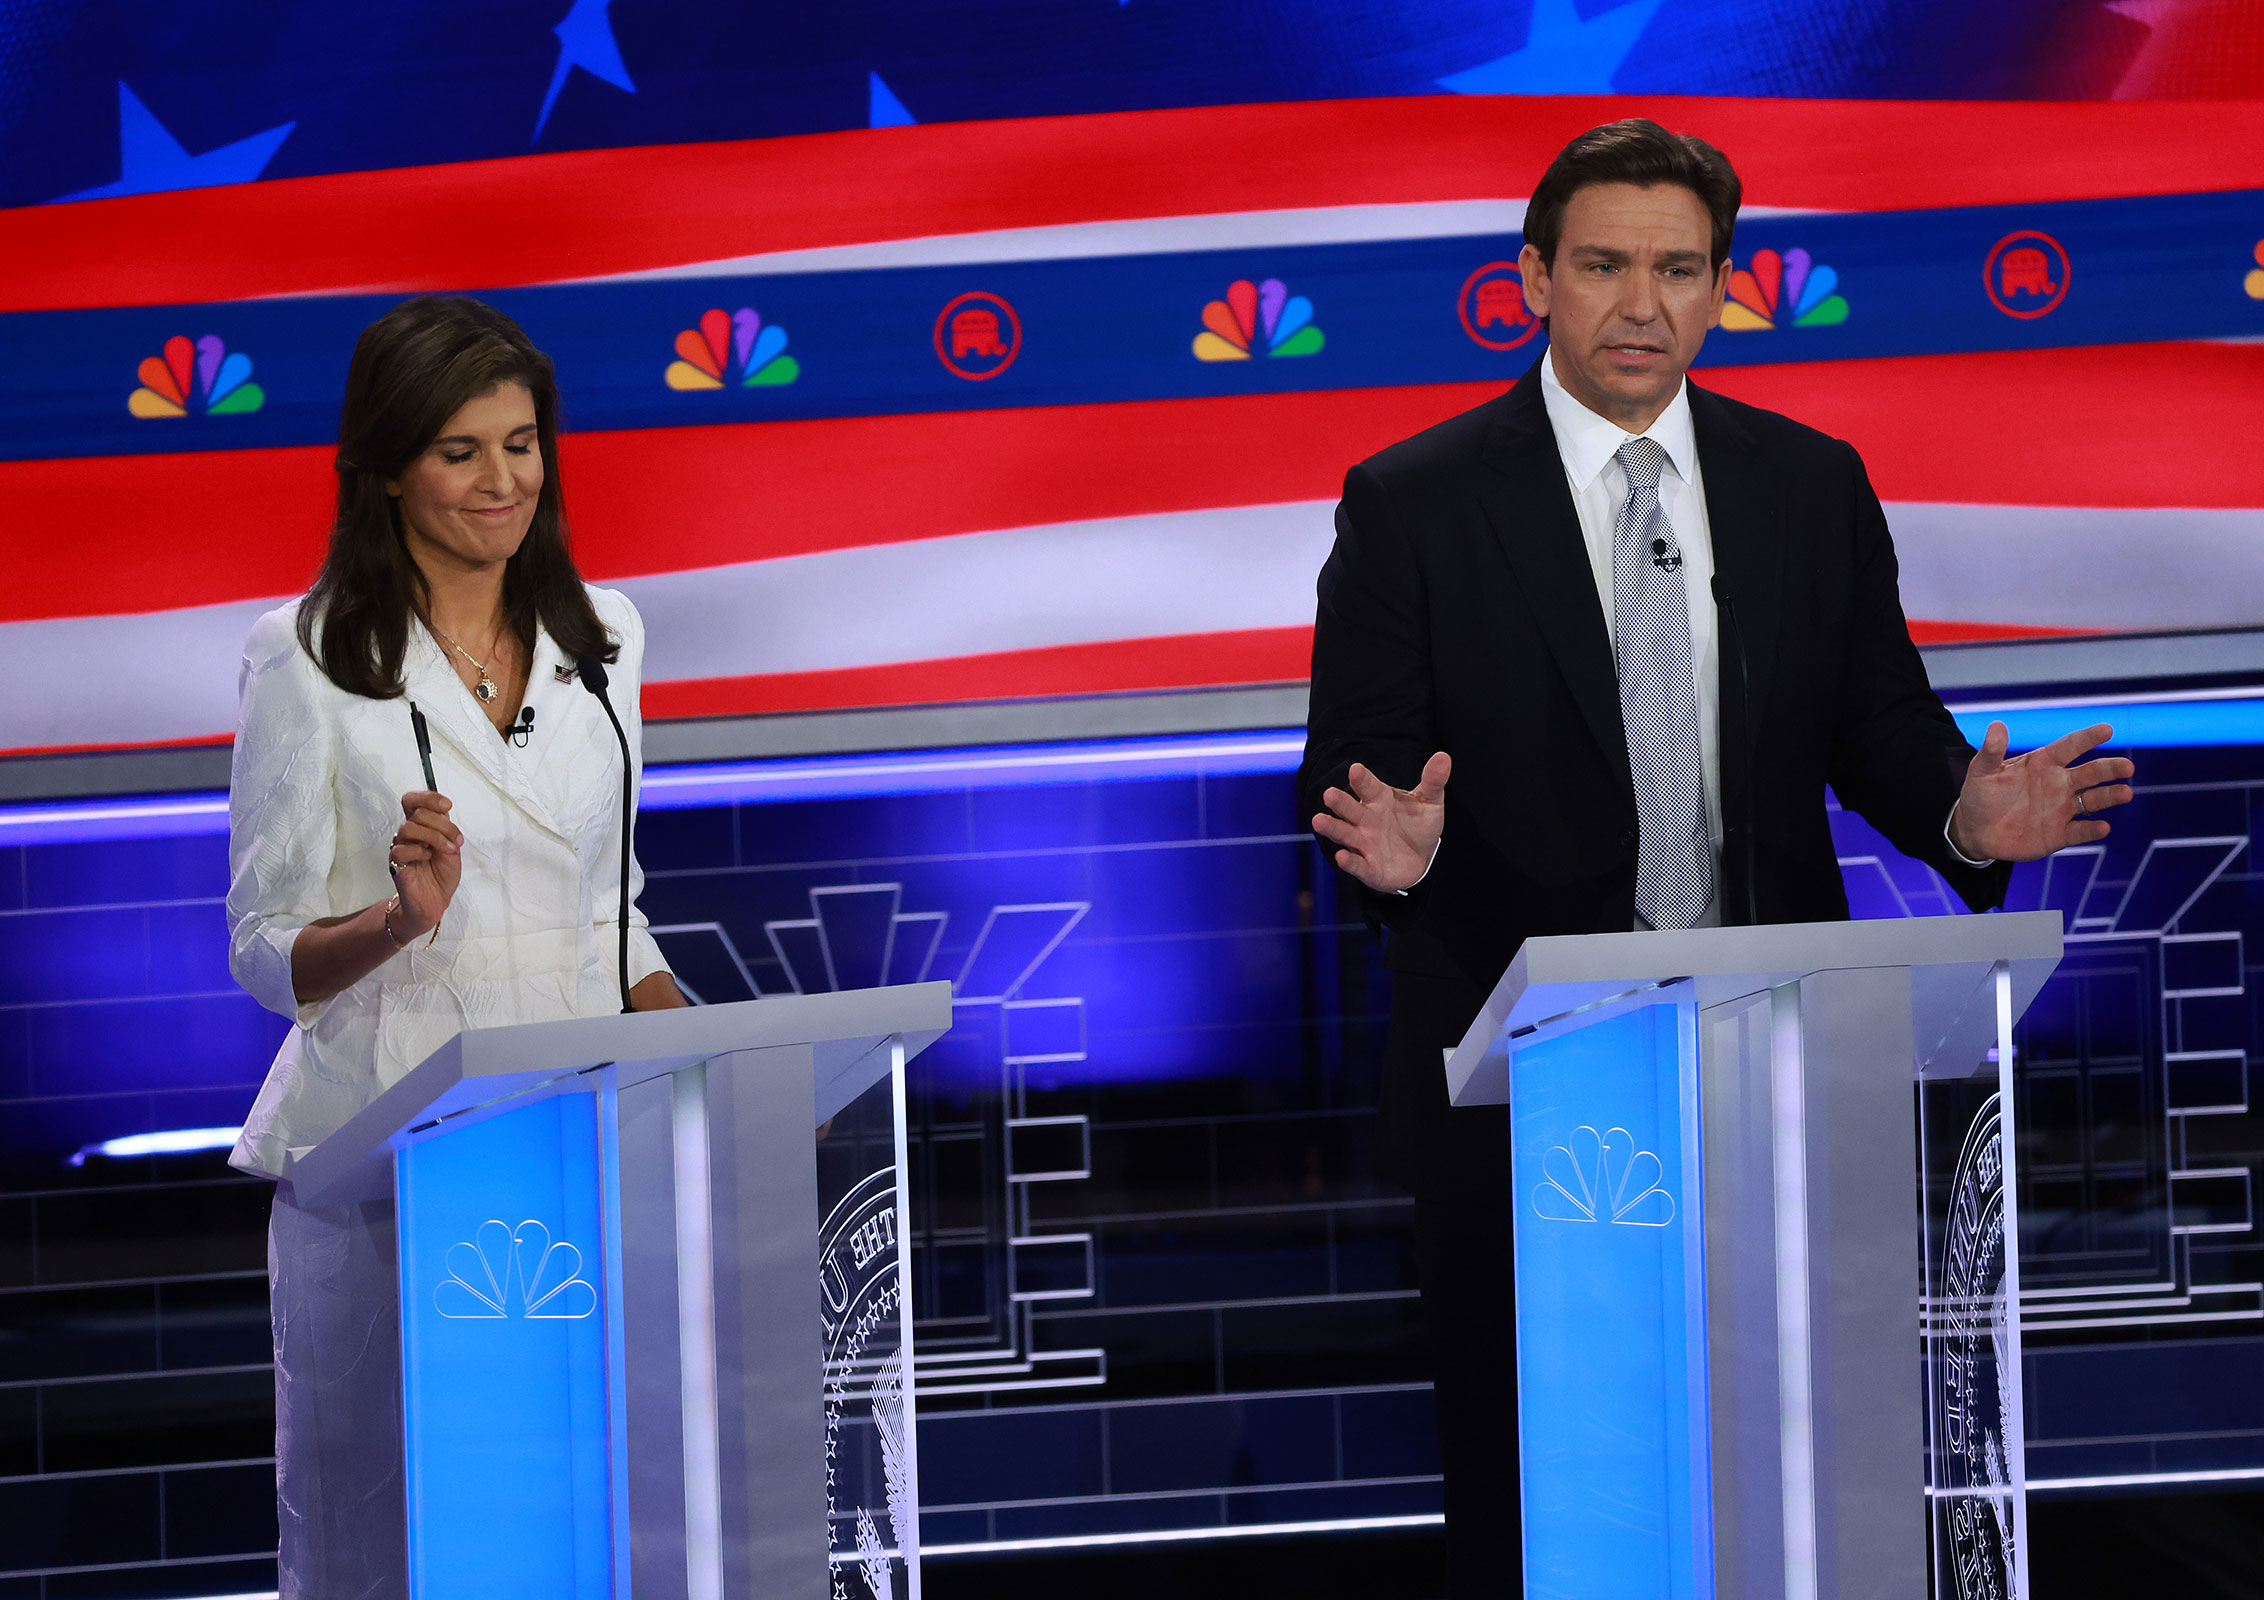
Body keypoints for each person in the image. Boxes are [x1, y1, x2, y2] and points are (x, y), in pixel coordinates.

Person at [1297, 119, 2135, 1598]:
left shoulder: (1804, 482)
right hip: (1528, 1090)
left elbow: (1881, 727)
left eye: (1680, 269)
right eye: (1607, 265)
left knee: (1790, 1478)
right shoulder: (1413, 502)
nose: (1643, 305)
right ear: (1535, 279)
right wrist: (1402, 857)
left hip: (1777, 1072)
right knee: (1544, 1502)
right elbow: (1351, 784)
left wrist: (1961, 816)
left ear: (1723, 288)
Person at [224, 296, 686, 1598]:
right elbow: (264, 954)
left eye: (522, 443)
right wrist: (395, 919)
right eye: (461, 450)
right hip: (392, 1150)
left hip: (578, 1144)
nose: (504, 482)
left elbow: (613, 911)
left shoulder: (607, 641)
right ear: (385, 467)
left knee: (585, 1522)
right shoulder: (309, 658)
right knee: (403, 1535)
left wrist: (718, 1056)